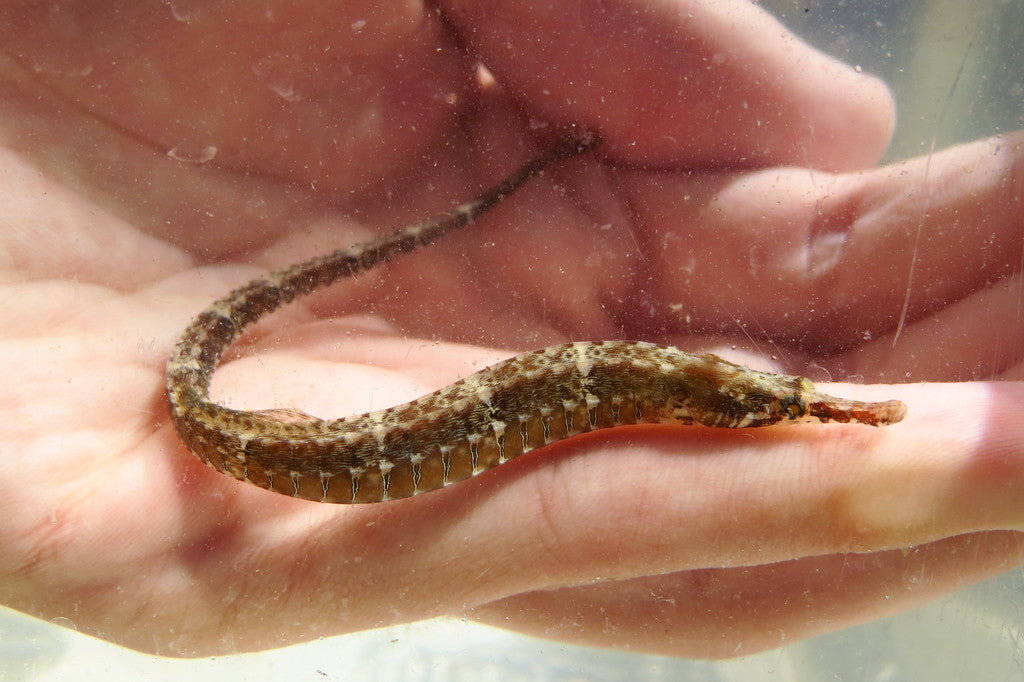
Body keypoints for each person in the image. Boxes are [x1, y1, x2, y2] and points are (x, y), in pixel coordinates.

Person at [1, 0, 1021, 659]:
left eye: (772, 405)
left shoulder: (658, 385)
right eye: (772, 404)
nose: (781, 408)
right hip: (253, 437)